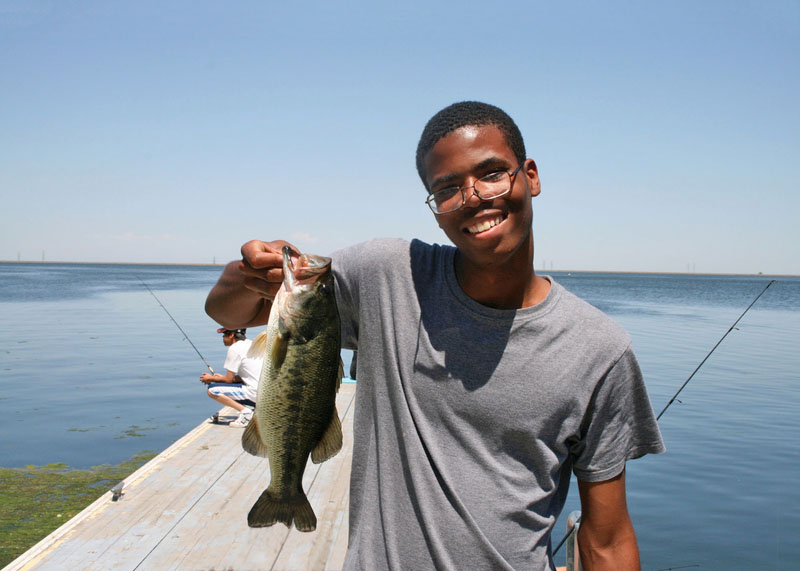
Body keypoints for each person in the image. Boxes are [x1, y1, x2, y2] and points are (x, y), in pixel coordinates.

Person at [204, 101, 665, 570]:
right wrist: (246, 273)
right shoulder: (387, 276)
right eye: (447, 189)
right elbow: (227, 310)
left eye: (491, 174)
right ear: (435, 208)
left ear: (530, 176)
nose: (472, 197)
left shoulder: (601, 350)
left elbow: (606, 541)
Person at [200, 328, 262, 428]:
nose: (223, 338)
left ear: (231, 335)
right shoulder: (251, 344)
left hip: (254, 393)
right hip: (263, 392)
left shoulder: (234, 349)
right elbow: (244, 376)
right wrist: (221, 378)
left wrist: (210, 378)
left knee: (212, 390)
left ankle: (246, 413)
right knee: (224, 384)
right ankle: (252, 409)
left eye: (224, 335)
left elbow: (228, 379)